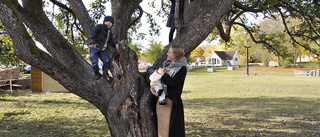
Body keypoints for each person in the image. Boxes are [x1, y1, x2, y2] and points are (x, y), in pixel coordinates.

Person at [151, 45, 187, 137]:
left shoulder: (182, 69)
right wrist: (153, 85)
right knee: (161, 131)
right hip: (160, 101)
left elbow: (173, 83)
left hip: (171, 102)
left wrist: (163, 74)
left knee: (170, 131)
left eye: (170, 52)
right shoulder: (166, 65)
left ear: (176, 54)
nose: (167, 53)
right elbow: (160, 80)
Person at [88, 16, 118, 81]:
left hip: (102, 50)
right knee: (95, 62)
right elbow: (93, 33)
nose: (108, 23)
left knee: (106, 60)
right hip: (94, 47)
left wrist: (115, 45)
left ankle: (105, 72)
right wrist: (94, 42)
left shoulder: (110, 33)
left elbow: (110, 41)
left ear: (112, 24)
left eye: (110, 22)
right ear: (104, 22)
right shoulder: (100, 26)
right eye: (107, 21)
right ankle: (96, 72)